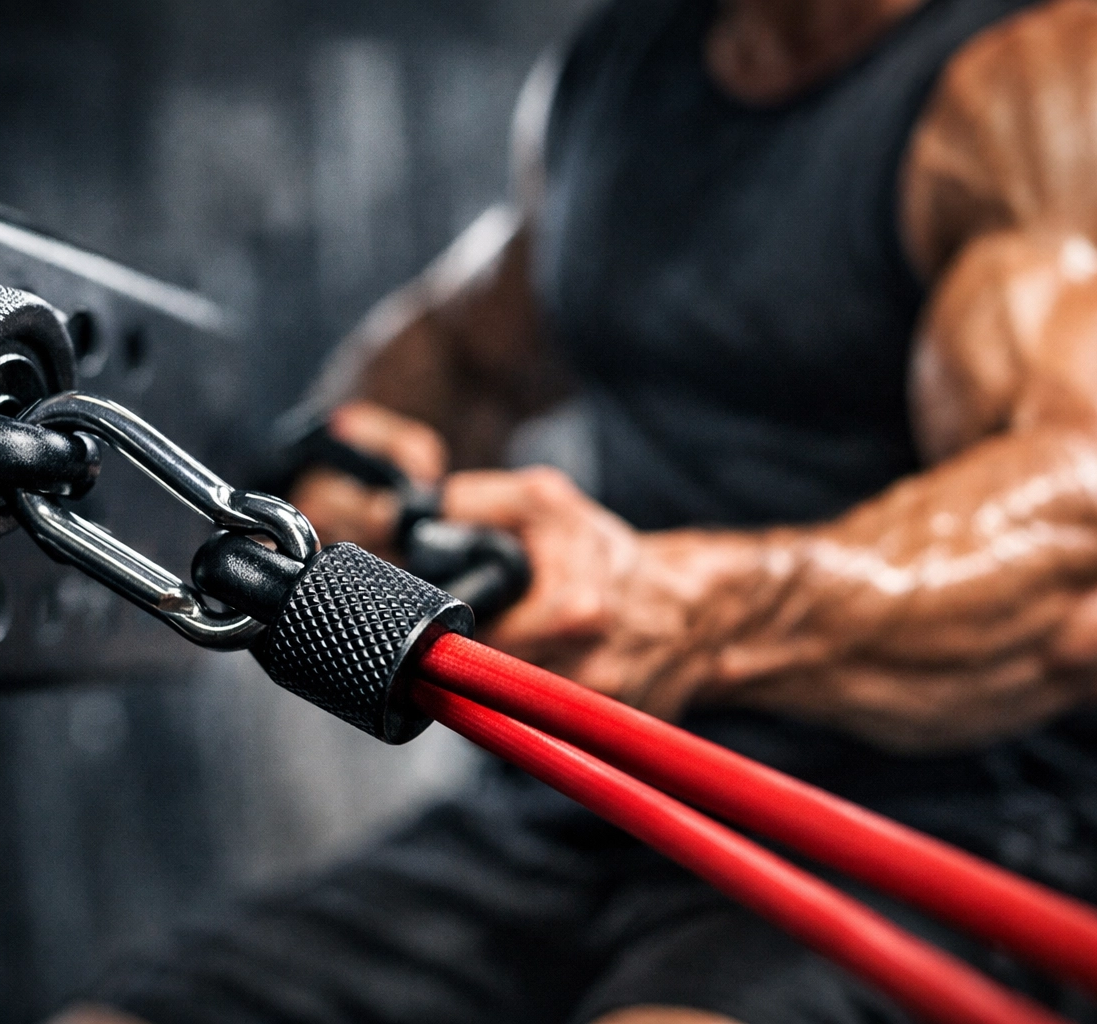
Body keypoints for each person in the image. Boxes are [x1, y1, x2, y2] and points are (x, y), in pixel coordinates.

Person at [66, 0, 1097, 1020]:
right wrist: (359, 459)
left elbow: (1074, 541)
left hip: (920, 825)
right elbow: (460, 353)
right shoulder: (619, 73)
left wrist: (692, 609)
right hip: (581, 803)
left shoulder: (1031, 79)